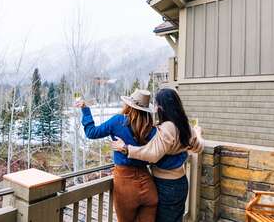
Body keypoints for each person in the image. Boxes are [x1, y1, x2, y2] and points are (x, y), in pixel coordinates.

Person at [76, 89, 188, 222]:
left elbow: (91, 132)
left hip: (126, 186)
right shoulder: (152, 128)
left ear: (128, 105)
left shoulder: (117, 122)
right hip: (149, 186)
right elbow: (161, 155)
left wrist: (85, 110)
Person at [111, 88, 204, 222]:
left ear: (162, 107)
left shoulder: (168, 127)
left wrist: (126, 148)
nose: (155, 108)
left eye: (156, 104)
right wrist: (198, 134)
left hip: (166, 185)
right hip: (181, 182)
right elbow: (199, 147)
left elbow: (153, 154)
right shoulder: (185, 126)